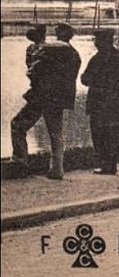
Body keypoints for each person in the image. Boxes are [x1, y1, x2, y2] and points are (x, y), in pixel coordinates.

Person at [10, 23, 79, 180]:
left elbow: (32, 71)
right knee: (56, 133)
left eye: (57, 30)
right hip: (58, 99)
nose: (54, 32)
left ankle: (20, 162)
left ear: (61, 33)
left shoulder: (50, 49)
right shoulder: (74, 54)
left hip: (41, 97)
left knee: (17, 125)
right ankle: (57, 169)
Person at [81, 29, 119, 175]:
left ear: (103, 42)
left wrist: (95, 82)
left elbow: (85, 79)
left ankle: (108, 166)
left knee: (102, 136)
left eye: (97, 40)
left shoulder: (97, 59)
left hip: (100, 104)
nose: (95, 43)